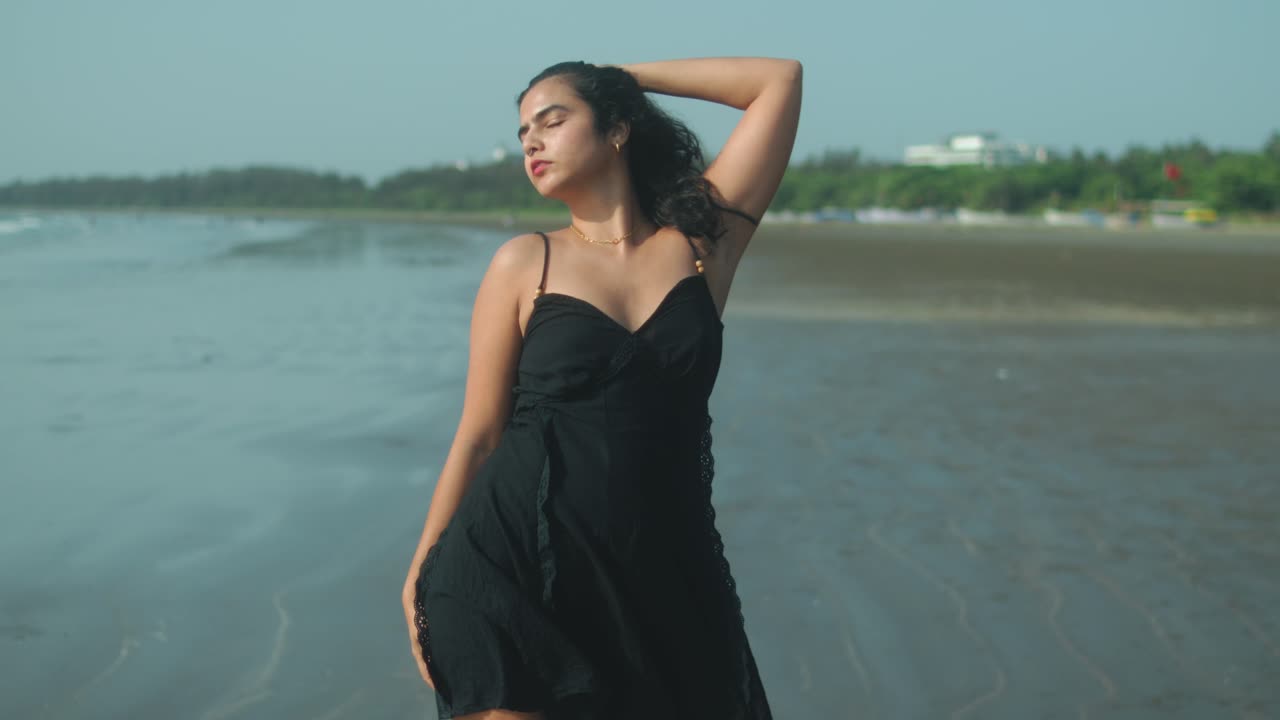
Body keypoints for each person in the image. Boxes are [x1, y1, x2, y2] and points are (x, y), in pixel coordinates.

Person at [401, 57, 802, 720]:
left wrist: (619, 75)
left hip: (669, 573)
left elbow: (777, 81)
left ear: (617, 130)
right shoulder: (524, 262)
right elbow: (479, 433)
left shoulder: (702, 244)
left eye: (552, 120)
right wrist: (423, 569)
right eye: (524, 128)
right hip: (511, 566)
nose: (530, 139)